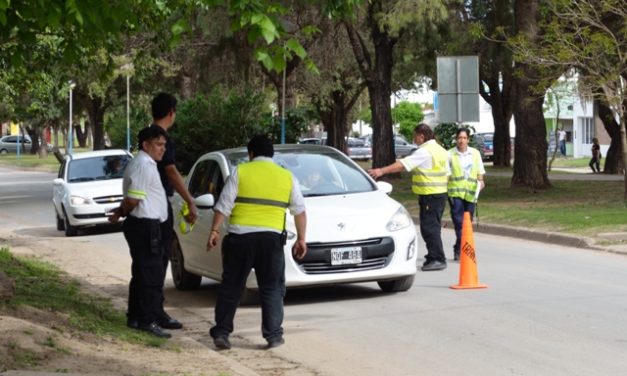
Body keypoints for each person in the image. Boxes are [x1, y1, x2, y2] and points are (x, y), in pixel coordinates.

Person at [206, 134, 307, 350]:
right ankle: (273, 336)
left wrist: (214, 230)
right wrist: (301, 239)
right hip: (271, 241)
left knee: (231, 286)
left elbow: (224, 204)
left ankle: (222, 333)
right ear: (272, 154)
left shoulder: (241, 171)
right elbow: (299, 211)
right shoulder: (287, 176)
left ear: (250, 154)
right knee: (272, 287)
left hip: (240, 239)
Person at [108, 126, 171, 338]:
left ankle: (135, 316)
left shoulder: (144, 163)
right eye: (158, 145)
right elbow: (134, 199)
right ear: (146, 145)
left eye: (164, 145)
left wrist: (119, 211)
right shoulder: (144, 165)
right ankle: (147, 320)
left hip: (144, 224)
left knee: (142, 274)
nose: (162, 149)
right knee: (151, 275)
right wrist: (123, 210)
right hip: (145, 226)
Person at [368, 124, 450, 271]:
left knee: (429, 228)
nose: (414, 139)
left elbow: (402, 165)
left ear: (422, 136)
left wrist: (381, 171)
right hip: (440, 194)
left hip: (430, 194)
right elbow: (447, 174)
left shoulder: (424, 151)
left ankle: (437, 258)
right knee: (434, 227)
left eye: (415, 136)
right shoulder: (441, 150)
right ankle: (434, 256)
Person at [148, 93, 198, 330]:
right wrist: (190, 199)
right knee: (158, 259)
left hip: (151, 203)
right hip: (158, 204)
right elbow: (171, 171)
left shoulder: (147, 136)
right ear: (171, 112)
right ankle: (155, 312)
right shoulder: (161, 139)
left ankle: (151, 310)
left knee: (152, 260)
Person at [448, 128, 485, 261]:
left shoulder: (474, 153)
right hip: (455, 193)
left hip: (470, 193)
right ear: (456, 139)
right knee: (459, 223)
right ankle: (460, 250)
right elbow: (446, 174)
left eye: (464, 138)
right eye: (459, 138)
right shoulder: (450, 154)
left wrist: (481, 181)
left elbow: (480, 170)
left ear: (468, 139)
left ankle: (461, 247)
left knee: (467, 223)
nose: (461, 140)